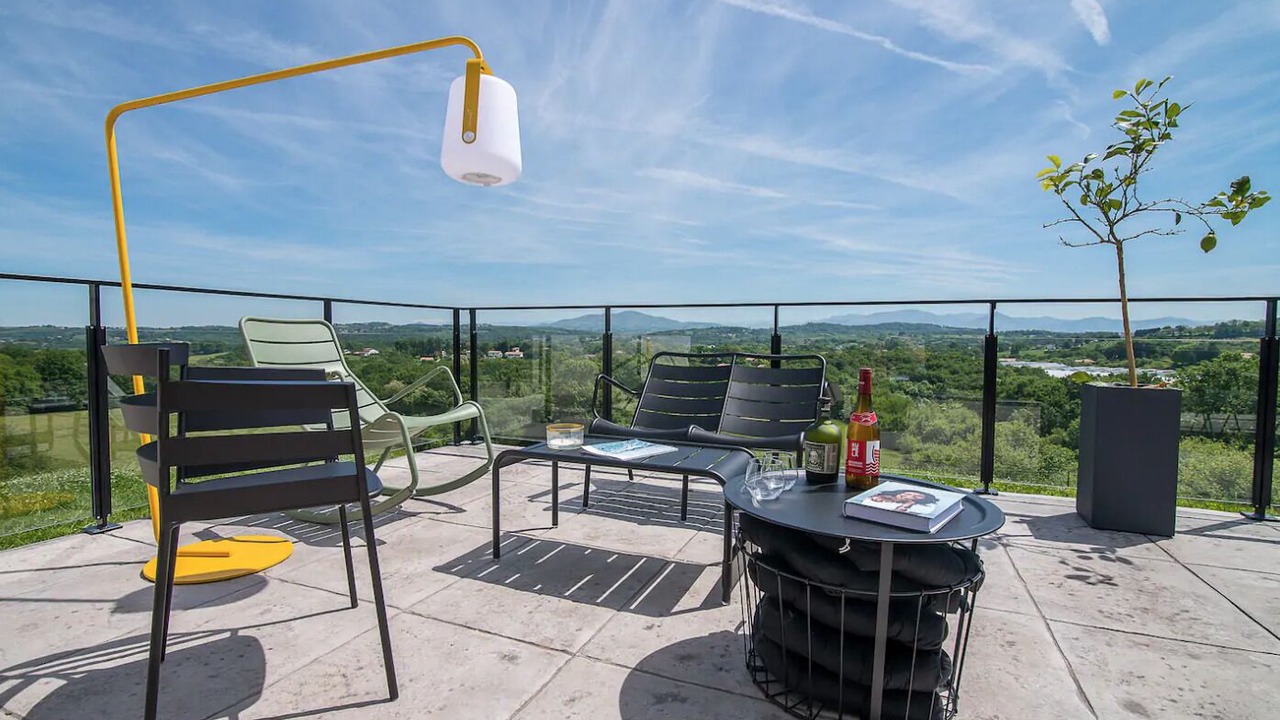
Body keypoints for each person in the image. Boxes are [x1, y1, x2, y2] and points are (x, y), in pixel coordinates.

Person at [863, 488, 939, 513]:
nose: (905, 495)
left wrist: (905, 505)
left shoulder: (920, 507)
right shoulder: (874, 499)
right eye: (908, 493)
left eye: (916, 496)